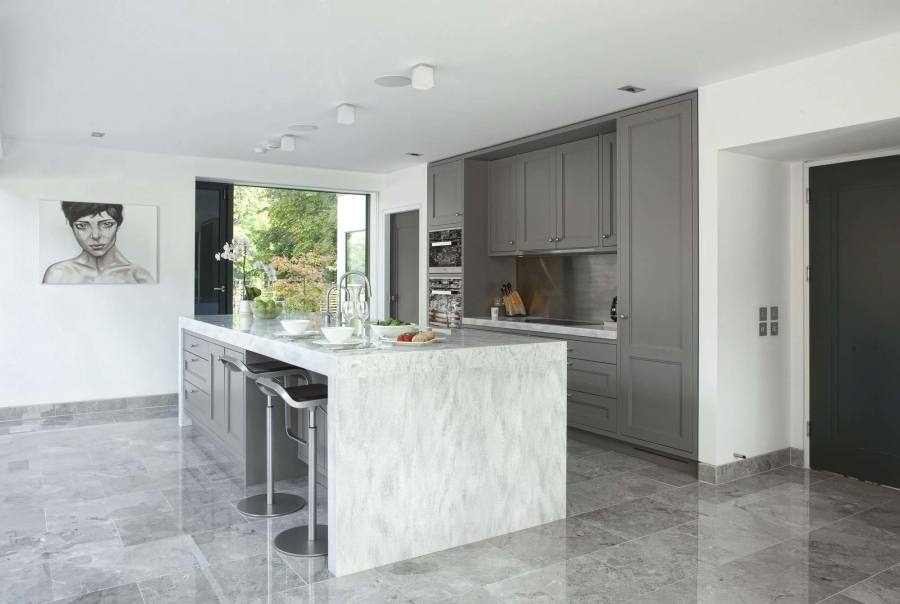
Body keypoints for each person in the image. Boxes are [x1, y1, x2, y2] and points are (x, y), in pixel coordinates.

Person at [42, 201, 154, 284]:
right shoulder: (58, 274)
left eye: (106, 224)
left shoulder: (138, 276)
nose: (95, 236)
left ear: (118, 225)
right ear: (72, 227)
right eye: (82, 226)